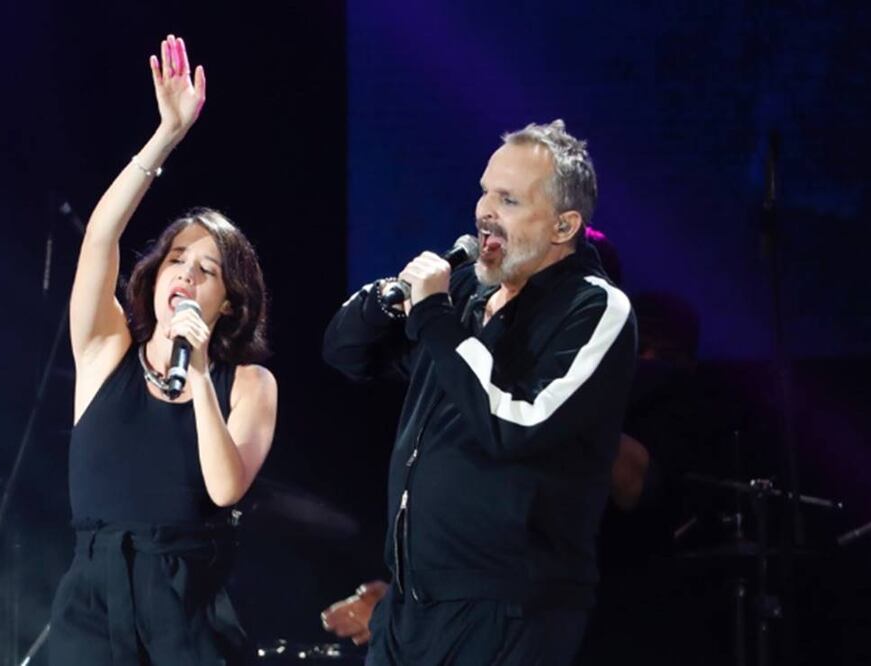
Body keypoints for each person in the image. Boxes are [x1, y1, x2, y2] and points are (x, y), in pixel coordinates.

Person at [322, 120, 637, 665]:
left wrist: (436, 319)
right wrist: (389, 298)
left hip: (510, 609)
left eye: (509, 199)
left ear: (564, 225)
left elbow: (517, 425)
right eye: (485, 191)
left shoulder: (593, 308)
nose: (485, 210)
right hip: (411, 604)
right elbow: (346, 353)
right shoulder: (465, 290)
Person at [48, 35, 278, 666]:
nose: (187, 275)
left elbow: (226, 488)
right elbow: (101, 236)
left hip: (185, 609)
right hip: (90, 606)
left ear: (228, 301)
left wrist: (199, 373)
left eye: (208, 270)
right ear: (155, 274)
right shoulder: (105, 351)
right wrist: (166, 136)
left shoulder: (248, 383)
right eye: (178, 259)